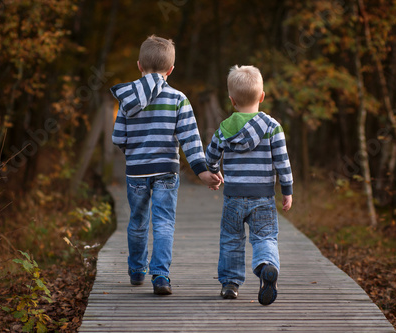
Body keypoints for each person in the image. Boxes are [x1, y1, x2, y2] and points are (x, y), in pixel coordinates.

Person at [111, 35, 223, 296]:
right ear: (171, 70)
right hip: (166, 172)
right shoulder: (178, 99)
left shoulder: (126, 99)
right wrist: (203, 170)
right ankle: (160, 276)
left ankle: (137, 271)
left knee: (138, 220)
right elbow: (190, 140)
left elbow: (118, 138)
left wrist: (135, 152)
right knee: (163, 223)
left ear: (139, 65)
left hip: (136, 172)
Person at [205, 65, 293, 305]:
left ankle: (231, 284)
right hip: (263, 198)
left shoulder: (224, 128)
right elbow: (283, 163)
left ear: (232, 100)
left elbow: (210, 156)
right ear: (262, 97)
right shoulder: (273, 127)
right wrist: (287, 191)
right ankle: (266, 266)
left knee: (231, 240)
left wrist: (214, 173)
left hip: (233, 197)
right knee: (265, 238)